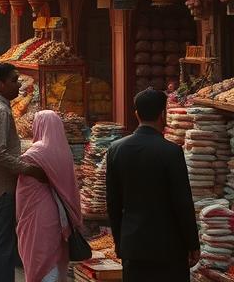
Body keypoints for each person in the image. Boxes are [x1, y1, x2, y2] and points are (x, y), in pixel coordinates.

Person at [106, 88, 199, 282]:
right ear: (162, 114)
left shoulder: (116, 149)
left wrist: (119, 241)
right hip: (169, 247)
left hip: (133, 245)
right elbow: (182, 203)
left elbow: (113, 203)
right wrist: (193, 244)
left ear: (137, 114)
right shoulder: (171, 152)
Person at [0, 62, 46, 282]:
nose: (18, 85)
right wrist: (29, 169)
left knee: (2, 240)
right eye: (14, 80)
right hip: (2, 187)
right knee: (2, 241)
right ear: (1, 83)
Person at [16, 110, 85, 282]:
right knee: (56, 257)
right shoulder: (64, 152)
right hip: (60, 216)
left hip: (39, 215)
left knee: (39, 257)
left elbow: (23, 184)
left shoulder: (34, 154)